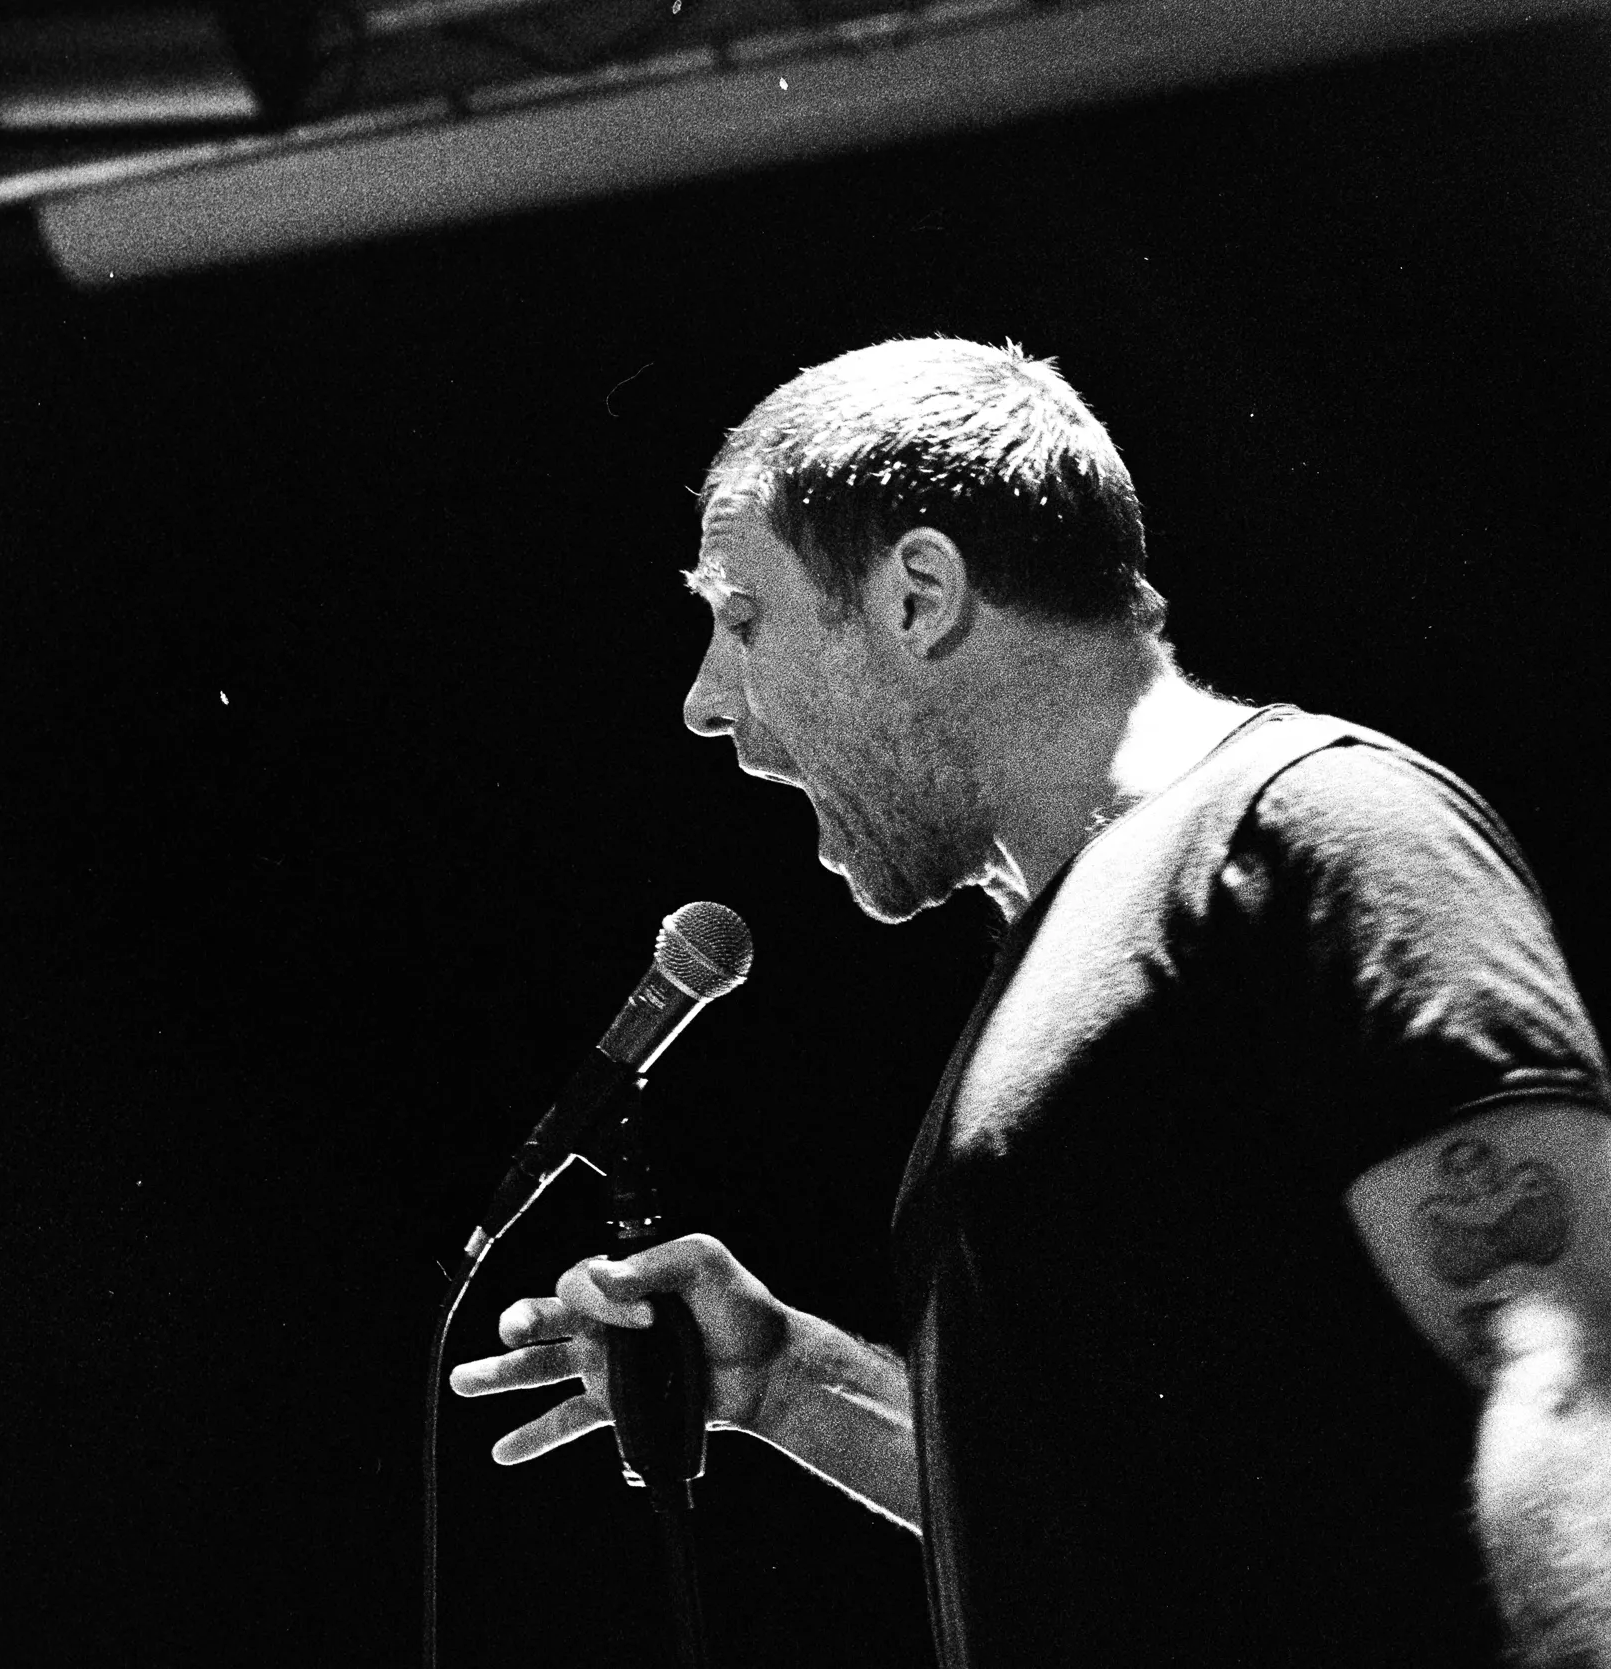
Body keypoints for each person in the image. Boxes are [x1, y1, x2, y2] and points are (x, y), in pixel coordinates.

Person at [450, 338, 1611, 1666]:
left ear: (918, 595)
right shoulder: (1064, 951)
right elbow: (1132, 1534)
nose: (705, 702)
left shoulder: (1313, 826)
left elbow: (1575, 1371)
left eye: (744, 617)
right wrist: (795, 1385)